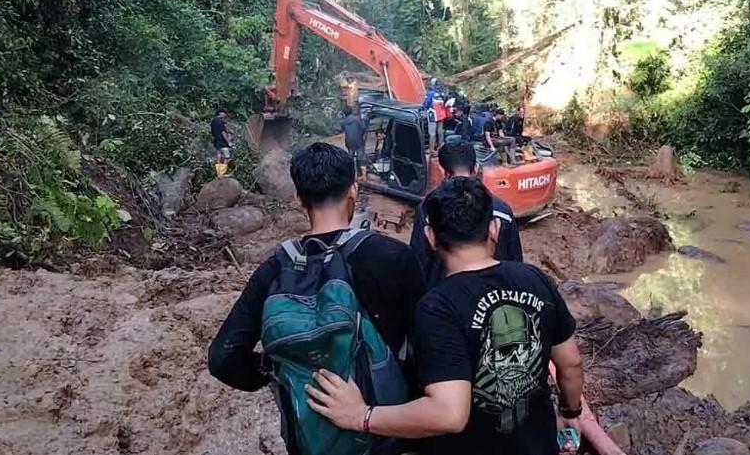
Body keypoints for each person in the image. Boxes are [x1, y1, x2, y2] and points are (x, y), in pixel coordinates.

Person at [305, 177, 585, 455]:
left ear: (430, 237)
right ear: (494, 228)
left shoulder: (437, 308)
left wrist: (362, 416)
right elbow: (570, 363)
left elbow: (448, 414)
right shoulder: (535, 279)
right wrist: (571, 412)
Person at [208, 142, 426, 455]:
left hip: (310, 440)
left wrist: (279, 369)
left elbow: (222, 357)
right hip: (386, 435)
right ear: (353, 190)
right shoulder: (394, 258)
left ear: (298, 198)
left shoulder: (275, 269)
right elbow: (427, 348)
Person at [410, 141, 522, 285]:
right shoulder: (502, 211)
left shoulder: (428, 210)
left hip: (445, 294)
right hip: (493, 295)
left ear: (443, 171)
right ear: (475, 168)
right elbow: (515, 259)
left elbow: (419, 260)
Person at [340, 105, 367, 175]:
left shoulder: (344, 122)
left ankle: (350, 173)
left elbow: (342, 129)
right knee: (361, 156)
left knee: (350, 156)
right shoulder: (357, 119)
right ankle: (364, 175)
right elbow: (364, 128)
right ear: (351, 111)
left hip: (349, 142)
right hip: (359, 140)